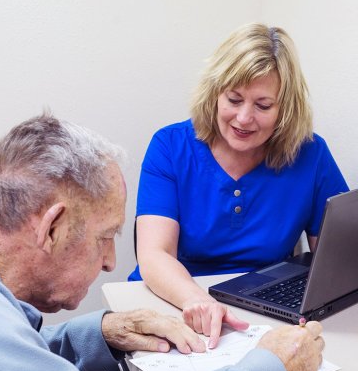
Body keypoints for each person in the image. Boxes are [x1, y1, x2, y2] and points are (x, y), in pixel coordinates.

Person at [0, 112, 324, 371]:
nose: (110, 262)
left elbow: (14, 358)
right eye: (105, 237)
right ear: (52, 227)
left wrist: (102, 332)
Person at [128, 22, 349, 349]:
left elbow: (336, 260)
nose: (244, 119)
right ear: (215, 93)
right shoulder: (170, 146)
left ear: (285, 109)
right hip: (173, 301)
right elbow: (154, 254)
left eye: (263, 106)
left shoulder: (311, 155)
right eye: (234, 99)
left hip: (262, 312)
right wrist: (196, 301)